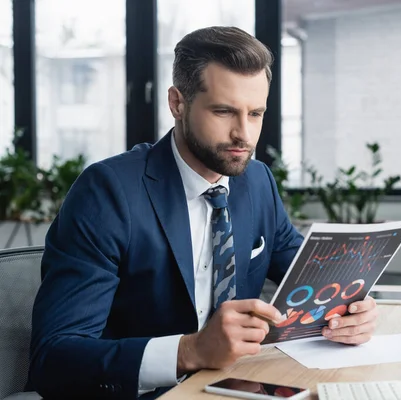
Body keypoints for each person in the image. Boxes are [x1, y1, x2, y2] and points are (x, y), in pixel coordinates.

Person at [27, 26, 378, 399]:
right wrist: (190, 350)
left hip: (235, 387)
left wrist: (351, 308)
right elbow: (53, 358)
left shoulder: (256, 181)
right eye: (224, 111)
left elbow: (308, 275)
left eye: (256, 113)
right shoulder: (107, 191)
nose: (244, 134)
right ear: (178, 103)